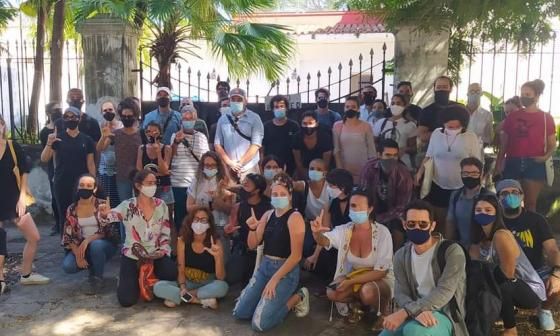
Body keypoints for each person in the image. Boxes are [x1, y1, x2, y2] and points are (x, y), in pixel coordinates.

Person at [232, 173, 310, 332]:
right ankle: (265, 301)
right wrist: (252, 228)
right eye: (275, 194)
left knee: (260, 324)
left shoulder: (295, 217)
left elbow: (296, 256)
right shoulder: (267, 215)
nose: (278, 197)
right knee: (240, 313)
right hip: (265, 266)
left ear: (290, 195)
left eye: (283, 194)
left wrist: (275, 279)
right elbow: (252, 245)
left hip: (285, 271)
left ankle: (297, 297)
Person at [381, 200, 468, 336]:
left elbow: (445, 292)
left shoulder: (451, 251)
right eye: (411, 224)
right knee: (386, 334)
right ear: (404, 225)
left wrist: (407, 311)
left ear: (432, 226)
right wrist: (415, 312)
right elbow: (400, 293)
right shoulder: (400, 256)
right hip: (414, 310)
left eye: (423, 224)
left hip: (444, 313)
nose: (417, 228)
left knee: (414, 331)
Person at [311, 188, 394, 325]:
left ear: (370, 209)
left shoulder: (383, 233)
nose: (354, 210)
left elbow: (381, 272)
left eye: (358, 206)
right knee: (332, 292)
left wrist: (350, 281)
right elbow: (325, 241)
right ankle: (358, 305)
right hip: (354, 275)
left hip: (379, 278)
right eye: (352, 205)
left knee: (367, 291)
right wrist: (316, 234)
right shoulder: (345, 230)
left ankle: (384, 312)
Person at [469, 193, 546, 336]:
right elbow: (475, 268)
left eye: (488, 210)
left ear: (496, 213)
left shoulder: (501, 235)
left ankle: (510, 329)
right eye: (478, 210)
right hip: (502, 285)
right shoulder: (477, 240)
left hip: (528, 289)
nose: (482, 213)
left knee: (501, 281)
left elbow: (508, 274)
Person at [98, 169, 177, 307]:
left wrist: (163, 251)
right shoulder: (127, 205)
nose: (153, 186)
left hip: (155, 253)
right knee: (126, 300)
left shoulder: (161, 205)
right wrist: (104, 214)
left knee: (172, 272)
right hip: (133, 255)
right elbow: (109, 218)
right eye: (149, 183)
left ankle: (150, 281)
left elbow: (165, 232)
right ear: (138, 186)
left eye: (154, 183)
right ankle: (129, 279)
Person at [497, 179, 560, 331]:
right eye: (504, 193)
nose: (510, 196)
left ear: (522, 195)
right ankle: (505, 305)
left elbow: (552, 249)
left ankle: (544, 309)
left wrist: (557, 272)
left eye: (514, 192)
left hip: (535, 272)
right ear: (498, 198)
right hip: (506, 273)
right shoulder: (495, 220)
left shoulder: (536, 220)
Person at [0, 116, 50, 294]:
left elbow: (25, 170)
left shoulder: (13, 146)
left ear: (3, 126)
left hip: (14, 200)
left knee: (34, 236)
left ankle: (26, 274)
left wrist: (22, 197)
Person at [415, 105, 481, 233]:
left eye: (457, 127)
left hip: (461, 185)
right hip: (438, 183)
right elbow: (428, 156)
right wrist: (419, 173)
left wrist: (477, 184)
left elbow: (477, 163)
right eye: (450, 127)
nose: (453, 130)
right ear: (443, 123)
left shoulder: (470, 137)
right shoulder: (436, 134)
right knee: (439, 219)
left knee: (458, 221)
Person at [496, 79, 557, 211]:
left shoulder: (546, 118)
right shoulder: (512, 117)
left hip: (534, 163)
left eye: (528, 94)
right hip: (513, 161)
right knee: (509, 203)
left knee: (530, 204)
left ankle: (529, 231)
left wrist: (545, 157)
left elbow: (553, 144)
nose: (524, 97)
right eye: (522, 94)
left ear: (537, 96)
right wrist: (498, 164)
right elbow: (504, 144)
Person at [153, 207, 228, 309]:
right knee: (158, 287)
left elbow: (220, 278)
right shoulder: (183, 240)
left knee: (222, 287)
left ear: (209, 224)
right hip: (187, 281)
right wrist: (183, 287)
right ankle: (199, 301)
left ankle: (181, 298)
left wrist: (218, 257)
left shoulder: (215, 242)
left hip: (207, 283)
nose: (199, 223)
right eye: (196, 219)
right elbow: (181, 268)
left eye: (203, 220)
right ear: (190, 221)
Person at [41, 107, 96, 236]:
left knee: (81, 214)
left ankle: (82, 243)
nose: (70, 119)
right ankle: (67, 245)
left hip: (81, 183)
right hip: (62, 182)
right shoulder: (57, 139)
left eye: (73, 117)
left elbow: (91, 163)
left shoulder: (86, 140)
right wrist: (49, 143)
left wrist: (94, 183)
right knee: (64, 215)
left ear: (79, 118)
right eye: (67, 117)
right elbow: (44, 158)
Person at [61, 174, 117, 294]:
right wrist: (78, 255)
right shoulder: (72, 209)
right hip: (81, 246)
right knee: (68, 266)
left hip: (103, 244)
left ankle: (97, 278)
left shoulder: (102, 205)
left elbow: (109, 231)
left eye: (88, 186)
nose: (85, 188)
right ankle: (93, 265)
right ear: (77, 187)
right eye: (82, 185)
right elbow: (68, 236)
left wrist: (88, 240)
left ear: (95, 188)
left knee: (96, 246)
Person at [359, 140, 413, 251]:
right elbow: (363, 195)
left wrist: (381, 219)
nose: (391, 159)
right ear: (379, 155)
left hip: (395, 212)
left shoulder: (404, 174)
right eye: (388, 155)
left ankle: (395, 258)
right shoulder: (369, 168)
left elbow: (402, 206)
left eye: (394, 156)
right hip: (373, 209)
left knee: (397, 232)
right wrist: (370, 217)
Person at [305, 168, 353, 284]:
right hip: (337, 241)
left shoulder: (355, 201)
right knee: (320, 258)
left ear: (342, 187)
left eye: (332, 186)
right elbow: (325, 230)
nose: (328, 188)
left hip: (353, 242)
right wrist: (315, 255)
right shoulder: (331, 202)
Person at [224, 173, 271, 286]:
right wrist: (229, 230)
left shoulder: (269, 207)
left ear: (257, 190)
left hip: (263, 250)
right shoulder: (238, 207)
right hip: (243, 248)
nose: (243, 188)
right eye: (243, 184)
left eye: (247, 185)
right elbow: (232, 227)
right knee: (231, 277)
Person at [170, 105, 210, 231]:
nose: (188, 121)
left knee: (196, 218)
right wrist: (176, 142)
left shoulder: (202, 137)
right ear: (181, 120)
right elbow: (170, 156)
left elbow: (206, 160)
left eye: (190, 118)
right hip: (178, 184)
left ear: (195, 119)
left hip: (196, 185)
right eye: (185, 119)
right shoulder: (174, 136)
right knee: (180, 219)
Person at [187, 151, 234, 254]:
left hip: (220, 228)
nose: (210, 168)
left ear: (218, 166)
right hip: (200, 227)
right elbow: (189, 207)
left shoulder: (225, 181)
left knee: (221, 263)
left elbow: (230, 210)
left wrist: (218, 199)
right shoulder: (196, 181)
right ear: (202, 166)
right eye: (207, 165)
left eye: (213, 165)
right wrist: (208, 205)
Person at [214, 88, 264, 182]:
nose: (236, 102)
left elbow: (256, 144)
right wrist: (230, 163)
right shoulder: (222, 119)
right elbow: (217, 145)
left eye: (239, 99)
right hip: (229, 168)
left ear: (245, 101)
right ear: (229, 101)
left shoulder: (255, 118)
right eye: (233, 99)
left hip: (250, 167)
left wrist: (240, 164)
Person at [446, 157, 489, 247]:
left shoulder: (489, 197)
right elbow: (450, 222)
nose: (469, 177)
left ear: (481, 175)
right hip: (460, 247)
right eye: (465, 173)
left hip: (481, 249)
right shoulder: (455, 196)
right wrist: (447, 245)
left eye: (474, 173)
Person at [333, 96, 376, 183]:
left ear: (358, 109)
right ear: (344, 108)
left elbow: (371, 150)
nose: (350, 109)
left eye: (353, 107)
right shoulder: (337, 126)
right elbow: (336, 149)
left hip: (363, 168)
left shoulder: (366, 126)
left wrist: (371, 169)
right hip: (344, 168)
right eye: (347, 107)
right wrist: (340, 170)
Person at [136, 122, 174, 214]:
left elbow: (164, 170)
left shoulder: (167, 148)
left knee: (166, 218)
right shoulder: (142, 148)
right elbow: (139, 170)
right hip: (147, 187)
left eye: (154, 132)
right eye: (148, 131)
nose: (151, 134)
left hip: (163, 187)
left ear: (160, 133)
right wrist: (158, 174)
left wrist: (158, 153)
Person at [373, 94, 417, 170]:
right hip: (382, 163)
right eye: (393, 103)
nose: (395, 105)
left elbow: (413, 148)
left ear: (405, 106)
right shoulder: (381, 122)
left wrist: (404, 149)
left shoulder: (410, 125)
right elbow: (373, 142)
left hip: (402, 164)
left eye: (398, 103)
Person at [417, 76, 465, 145]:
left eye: (445, 87)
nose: (441, 90)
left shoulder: (460, 108)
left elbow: (465, 132)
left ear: (450, 89)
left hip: (457, 148)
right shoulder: (426, 111)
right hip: (434, 149)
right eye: (439, 87)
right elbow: (422, 136)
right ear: (434, 89)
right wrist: (447, 132)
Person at [40, 102, 63, 235]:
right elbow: (46, 152)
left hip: (65, 163)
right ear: (49, 113)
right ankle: (58, 223)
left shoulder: (64, 127)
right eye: (56, 110)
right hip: (52, 166)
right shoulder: (45, 132)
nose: (59, 112)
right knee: (55, 196)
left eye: (60, 109)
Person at [113, 98, 143, 201]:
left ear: (135, 116)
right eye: (124, 116)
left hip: (139, 177)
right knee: (125, 207)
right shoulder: (115, 134)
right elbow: (100, 148)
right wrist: (104, 136)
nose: (126, 118)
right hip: (122, 177)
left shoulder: (142, 134)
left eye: (129, 116)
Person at [262, 95, 299, 175]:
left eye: (282, 106)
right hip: (270, 168)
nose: (279, 109)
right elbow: (262, 149)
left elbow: (298, 150)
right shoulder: (266, 126)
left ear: (286, 108)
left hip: (290, 168)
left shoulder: (294, 126)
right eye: (276, 107)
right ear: (272, 109)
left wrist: (298, 169)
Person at [292, 110, 333, 179]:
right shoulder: (297, 137)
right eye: (304, 123)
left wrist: (318, 176)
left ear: (317, 124)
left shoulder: (325, 138)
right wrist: (305, 176)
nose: (308, 126)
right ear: (301, 124)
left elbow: (326, 163)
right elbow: (298, 162)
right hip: (303, 172)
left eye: (310, 123)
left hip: (320, 172)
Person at [96, 99, 122, 208]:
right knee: (106, 201)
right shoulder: (100, 126)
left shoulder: (121, 125)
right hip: (105, 170)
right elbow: (100, 148)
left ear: (115, 110)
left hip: (120, 170)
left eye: (110, 109)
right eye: (105, 110)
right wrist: (105, 136)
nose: (108, 112)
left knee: (119, 200)